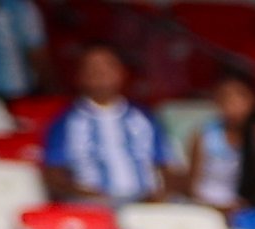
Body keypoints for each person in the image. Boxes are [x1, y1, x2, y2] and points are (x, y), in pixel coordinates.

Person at [42, 44, 175, 205]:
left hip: (146, 202)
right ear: (80, 76)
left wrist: (160, 195)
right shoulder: (65, 122)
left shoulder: (144, 118)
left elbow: (166, 165)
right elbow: (54, 174)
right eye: (92, 67)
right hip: (92, 204)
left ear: (122, 72)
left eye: (108, 65)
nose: (100, 72)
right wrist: (84, 194)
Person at [187, 71, 255, 212]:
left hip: (249, 213)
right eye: (225, 98)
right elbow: (192, 189)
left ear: (253, 101)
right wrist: (221, 208)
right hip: (209, 210)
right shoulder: (205, 136)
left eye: (239, 97)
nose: (233, 104)